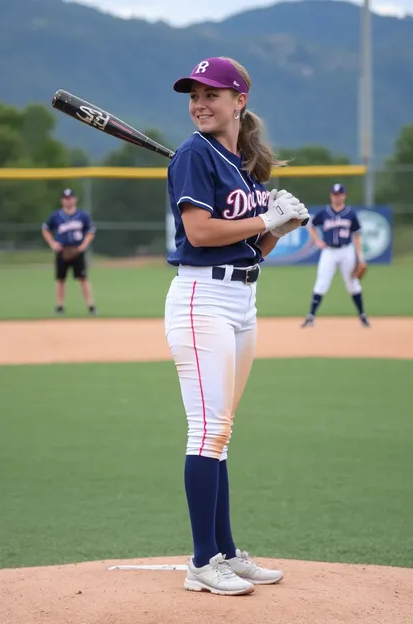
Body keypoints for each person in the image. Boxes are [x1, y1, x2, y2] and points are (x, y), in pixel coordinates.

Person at [165, 56, 309, 596]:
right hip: (202, 298)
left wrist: (279, 227)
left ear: (239, 101)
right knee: (206, 431)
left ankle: (224, 551)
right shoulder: (192, 153)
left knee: (221, 432)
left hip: (241, 298)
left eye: (211, 94)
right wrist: (265, 218)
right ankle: (203, 562)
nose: (200, 104)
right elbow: (200, 233)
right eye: (194, 96)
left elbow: (251, 248)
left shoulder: (240, 162)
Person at [301, 183, 370, 328]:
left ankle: (362, 315)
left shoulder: (350, 214)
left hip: (347, 251)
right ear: (331, 196)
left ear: (344, 196)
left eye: (339, 194)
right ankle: (311, 316)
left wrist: (360, 257)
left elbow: (356, 235)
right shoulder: (324, 213)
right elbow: (310, 225)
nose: (337, 197)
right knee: (321, 283)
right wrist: (317, 241)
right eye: (334, 194)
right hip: (329, 252)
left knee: (352, 283)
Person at [41, 188, 97, 315]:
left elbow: (91, 231)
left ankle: (91, 306)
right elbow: (45, 229)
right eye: (65, 198)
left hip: (77, 251)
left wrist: (83, 245)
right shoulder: (56, 216)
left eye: (70, 198)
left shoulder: (82, 215)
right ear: (62, 200)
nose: (68, 200)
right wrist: (52, 244)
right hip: (62, 251)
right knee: (61, 279)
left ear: (75, 199)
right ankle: (59, 307)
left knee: (83, 278)